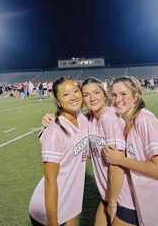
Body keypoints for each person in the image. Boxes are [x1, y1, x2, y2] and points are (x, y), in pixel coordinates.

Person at [42, 77, 139, 226]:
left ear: (104, 94)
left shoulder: (108, 117)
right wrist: (52, 117)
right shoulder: (89, 120)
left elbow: (117, 163)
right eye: (86, 94)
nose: (92, 98)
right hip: (107, 196)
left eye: (96, 92)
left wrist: (112, 203)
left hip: (122, 198)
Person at [103, 76, 158, 226]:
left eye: (123, 94)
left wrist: (120, 160)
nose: (117, 99)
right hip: (151, 212)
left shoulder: (145, 120)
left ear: (135, 96)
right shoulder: (128, 124)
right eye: (114, 95)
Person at [29, 77, 89, 226]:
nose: (74, 96)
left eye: (76, 91)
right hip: (50, 209)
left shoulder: (82, 119)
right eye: (66, 94)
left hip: (68, 204)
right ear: (57, 101)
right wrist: (53, 222)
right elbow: (50, 179)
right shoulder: (54, 130)